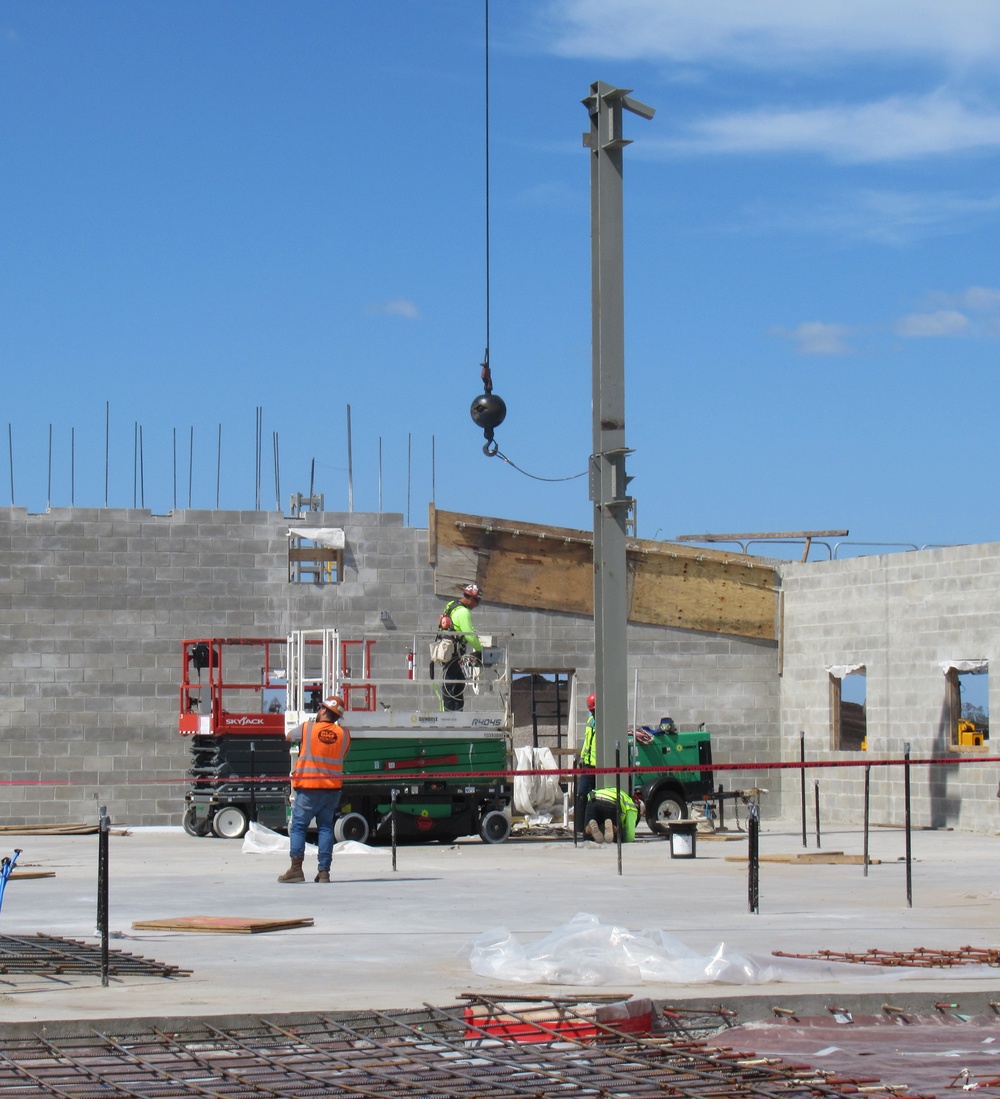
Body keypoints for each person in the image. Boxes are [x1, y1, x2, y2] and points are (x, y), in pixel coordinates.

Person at [277, 694, 351, 884]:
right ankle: (324, 872)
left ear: (324, 710)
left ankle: (295, 869)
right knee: (326, 828)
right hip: (332, 790)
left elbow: (287, 736)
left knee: (299, 827)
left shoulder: (308, 728)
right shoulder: (344, 735)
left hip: (309, 788)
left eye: (320, 708)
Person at [440, 583, 483, 711]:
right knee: (455, 684)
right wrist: (481, 650)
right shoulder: (463, 612)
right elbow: (470, 635)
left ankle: (452, 711)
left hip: (447, 650)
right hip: (454, 652)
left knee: (453, 681)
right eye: (477, 602)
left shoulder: (451, 605)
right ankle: (454, 713)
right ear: (471, 599)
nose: (477, 605)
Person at [575, 693, 597, 838]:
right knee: (582, 794)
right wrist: (582, 757)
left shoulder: (605, 722)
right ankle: (581, 829)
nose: (593, 712)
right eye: (592, 710)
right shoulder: (591, 721)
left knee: (596, 798)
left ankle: (592, 828)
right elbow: (586, 742)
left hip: (600, 766)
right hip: (588, 765)